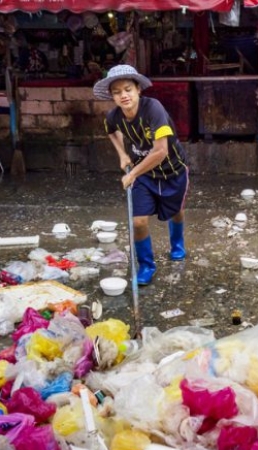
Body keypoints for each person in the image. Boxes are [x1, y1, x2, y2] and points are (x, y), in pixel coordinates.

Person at [93, 65, 188, 286]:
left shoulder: (153, 109)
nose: (123, 95)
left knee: (176, 211)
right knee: (138, 221)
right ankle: (146, 265)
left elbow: (161, 151)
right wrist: (122, 155)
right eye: (117, 92)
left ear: (138, 89)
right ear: (112, 96)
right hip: (144, 174)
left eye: (128, 89)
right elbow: (110, 131)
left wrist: (132, 172)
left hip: (172, 169)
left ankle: (177, 244)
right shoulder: (114, 116)